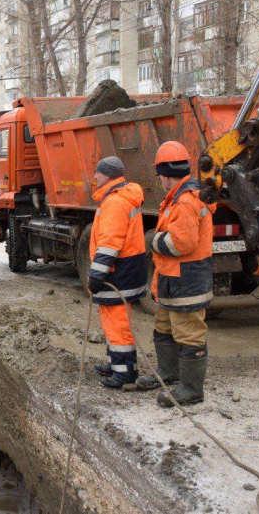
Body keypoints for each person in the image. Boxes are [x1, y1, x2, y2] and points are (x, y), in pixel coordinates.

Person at [136, 141, 214, 407]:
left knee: (189, 333)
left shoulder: (184, 202)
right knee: (163, 328)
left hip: (187, 279)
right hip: (173, 278)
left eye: (159, 176)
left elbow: (181, 243)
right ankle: (169, 373)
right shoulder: (176, 199)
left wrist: (154, 241)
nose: (159, 181)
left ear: (166, 174)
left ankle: (191, 389)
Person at [88, 156, 148, 389]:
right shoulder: (123, 197)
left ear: (108, 175)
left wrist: (97, 274)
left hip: (118, 272)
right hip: (125, 269)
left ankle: (124, 374)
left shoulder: (115, 202)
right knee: (114, 320)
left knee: (117, 322)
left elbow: (110, 242)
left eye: (98, 173)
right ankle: (116, 364)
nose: (94, 177)